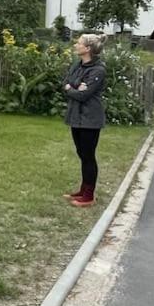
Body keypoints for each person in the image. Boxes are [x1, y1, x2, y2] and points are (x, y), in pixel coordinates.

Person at [62, 33, 107, 207]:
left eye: (79, 43)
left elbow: (84, 95)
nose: (76, 45)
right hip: (76, 117)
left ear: (87, 48)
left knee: (88, 156)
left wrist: (72, 89)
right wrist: (74, 87)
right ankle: (82, 190)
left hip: (90, 119)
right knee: (82, 154)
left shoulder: (98, 70)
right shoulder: (77, 65)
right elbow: (65, 83)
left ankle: (88, 196)